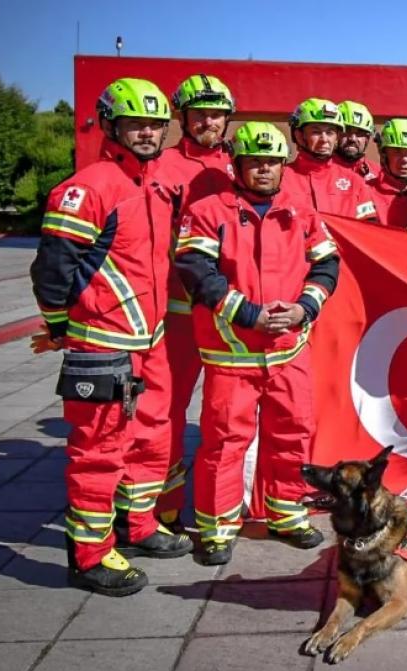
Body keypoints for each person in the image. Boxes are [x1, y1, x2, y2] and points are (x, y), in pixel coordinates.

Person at [30, 77, 192, 596]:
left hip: (151, 341)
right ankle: (89, 556)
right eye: (135, 123)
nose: (147, 133)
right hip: (103, 343)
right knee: (99, 451)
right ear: (110, 125)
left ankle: (138, 526)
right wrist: (58, 326)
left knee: (151, 440)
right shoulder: (90, 185)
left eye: (154, 124)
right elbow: (52, 268)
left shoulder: (153, 183)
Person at [175, 122, 338, 564]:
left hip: (289, 350)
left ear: (283, 165)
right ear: (237, 164)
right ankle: (216, 529)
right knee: (226, 441)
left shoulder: (300, 210)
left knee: (293, 432)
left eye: (271, 162)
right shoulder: (208, 211)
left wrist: (306, 307)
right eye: (254, 161)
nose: (263, 169)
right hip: (232, 352)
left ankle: (286, 513)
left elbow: (326, 265)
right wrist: (247, 313)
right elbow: (195, 270)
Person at [154, 73, 238, 533]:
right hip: (181, 315)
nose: (209, 121)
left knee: (229, 417)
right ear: (182, 118)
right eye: (200, 114)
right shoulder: (163, 167)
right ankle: (160, 508)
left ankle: (228, 502)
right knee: (167, 412)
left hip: (236, 316)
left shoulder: (240, 163)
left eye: (217, 114)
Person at [283, 97, 378, 221]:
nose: (324, 139)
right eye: (316, 132)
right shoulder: (282, 178)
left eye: (330, 132)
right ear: (299, 135)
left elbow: (367, 232)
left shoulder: (355, 182)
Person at [336, 100, 376, 181]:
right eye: (346, 130)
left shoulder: (378, 175)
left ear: (367, 139)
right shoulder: (320, 171)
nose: (352, 139)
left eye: (360, 133)